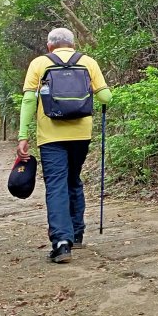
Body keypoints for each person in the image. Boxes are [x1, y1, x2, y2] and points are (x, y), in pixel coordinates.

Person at [18, 28, 112, 264]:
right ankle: (77, 232)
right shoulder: (88, 62)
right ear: (72, 44)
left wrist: (23, 135)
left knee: (57, 184)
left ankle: (62, 242)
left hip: (50, 136)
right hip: (81, 134)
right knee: (73, 179)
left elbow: (29, 100)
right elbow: (106, 98)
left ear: (50, 46)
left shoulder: (39, 63)